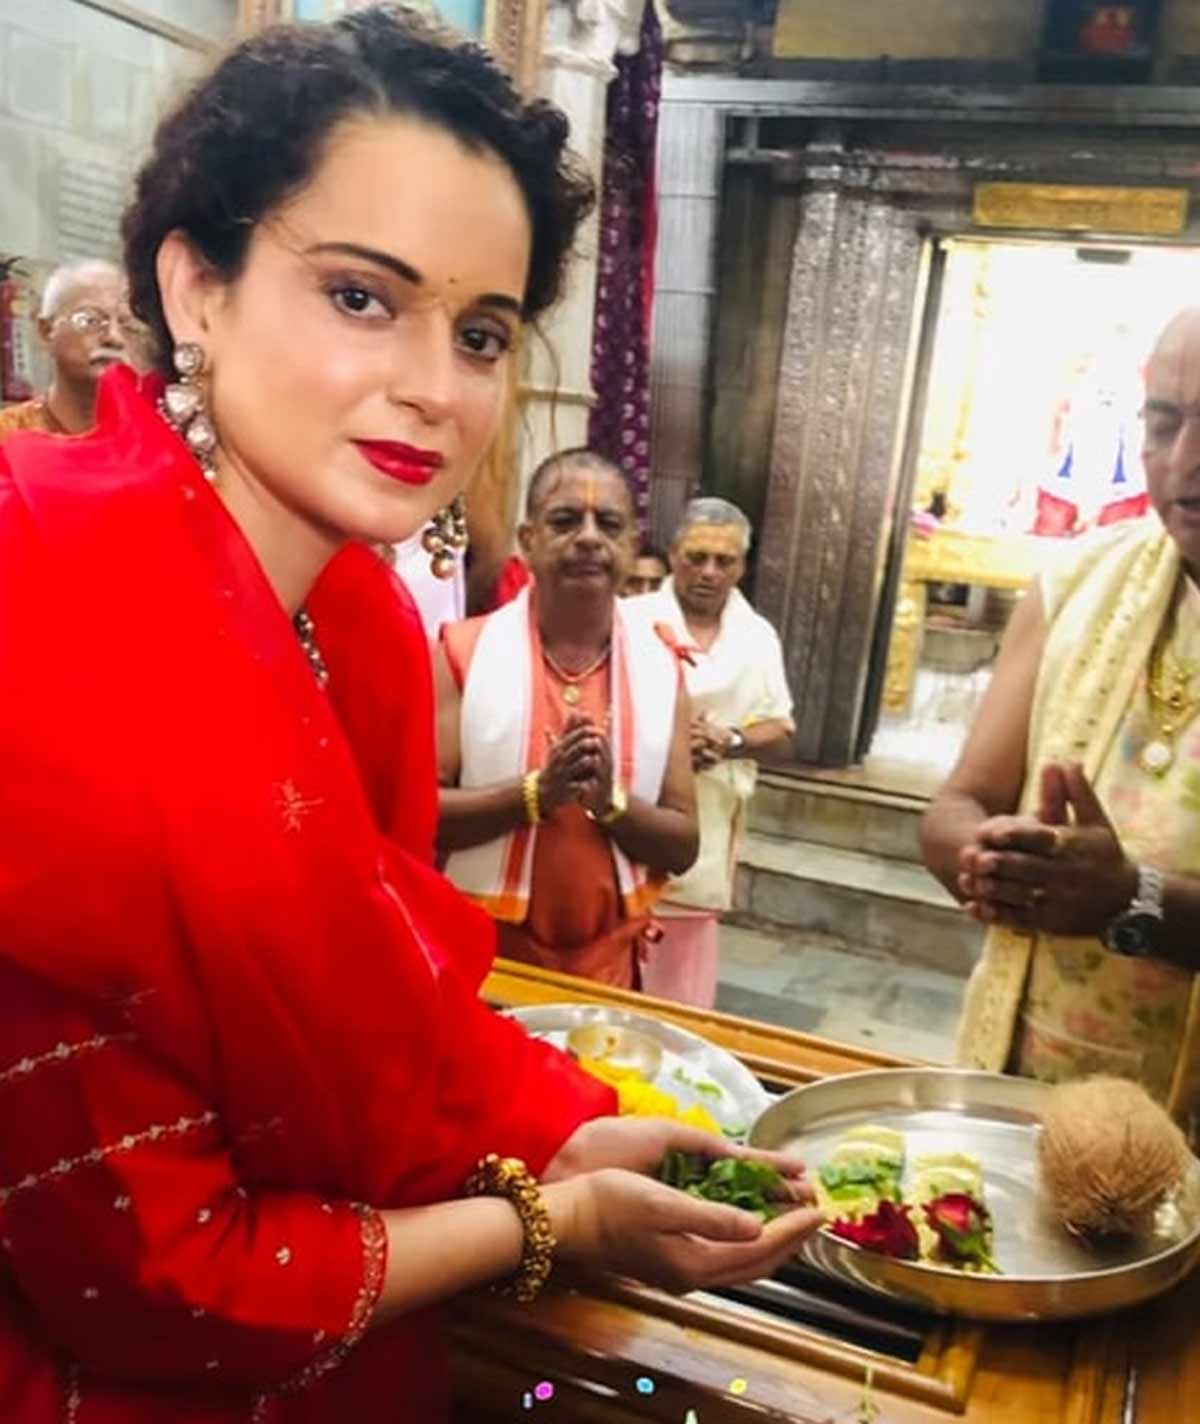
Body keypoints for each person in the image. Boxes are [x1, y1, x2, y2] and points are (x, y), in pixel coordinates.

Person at [0, 12, 822, 1423]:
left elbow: (389, 1023)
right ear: (196, 287)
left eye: (483, 331)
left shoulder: (370, 634)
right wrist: (553, 1222)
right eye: (361, 298)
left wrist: (570, 1129)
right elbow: (158, 1271)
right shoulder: (41, 605)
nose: (439, 389)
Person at [922, 308, 1200, 1130]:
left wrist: (1133, 899)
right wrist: (993, 861)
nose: (1186, 465)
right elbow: (956, 806)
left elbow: (1126, 898)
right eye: (1165, 424)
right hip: (1028, 1098)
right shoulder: (1077, 586)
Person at [436, 448, 698, 988]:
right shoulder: (461, 652)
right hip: (481, 960)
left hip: (608, 972)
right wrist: (536, 794)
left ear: (629, 546)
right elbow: (418, 815)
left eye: (608, 524)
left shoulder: (662, 667)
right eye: (564, 520)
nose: (587, 537)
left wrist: (612, 805)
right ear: (527, 541)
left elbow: (683, 845)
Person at [626, 497, 795, 1006]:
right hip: (628, 820)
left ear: (742, 567)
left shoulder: (758, 636)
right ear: (674, 554)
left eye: (724, 562)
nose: (709, 572)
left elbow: (784, 732)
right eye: (697, 557)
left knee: (680, 999)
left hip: (706, 829)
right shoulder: (628, 618)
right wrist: (670, 741)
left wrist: (730, 741)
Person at [0, 259, 137, 440]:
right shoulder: (8, 437)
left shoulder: (156, 441)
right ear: (46, 331)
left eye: (126, 324)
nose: (114, 338)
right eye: (90, 321)